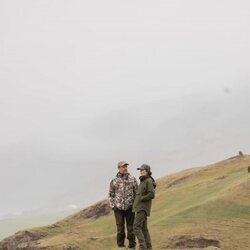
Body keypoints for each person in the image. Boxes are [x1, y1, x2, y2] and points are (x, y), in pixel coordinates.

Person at [109, 161, 138, 250]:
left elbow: (137, 193)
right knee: (120, 228)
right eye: (123, 167)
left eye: (126, 166)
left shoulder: (132, 179)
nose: (125, 168)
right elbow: (111, 194)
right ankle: (121, 246)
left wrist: (135, 205)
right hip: (118, 209)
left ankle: (132, 246)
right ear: (119, 168)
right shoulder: (114, 181)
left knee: (131, 228)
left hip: (130, 208)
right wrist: (113, 206)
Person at [133, 164, 156, 250]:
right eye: (140, 170)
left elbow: (151, 194)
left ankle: (142, 247)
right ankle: (148, 247)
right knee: (144, 228)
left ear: (147, 171)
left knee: (136, 227)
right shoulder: (143, 181)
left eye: (143, 170)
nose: (141, 171)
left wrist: (142, 198)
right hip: (140, 207)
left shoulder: (148, 181)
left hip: (142, 208)